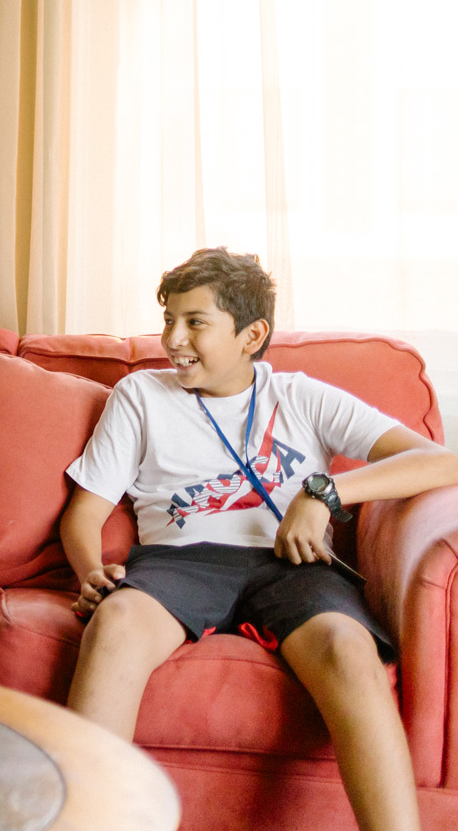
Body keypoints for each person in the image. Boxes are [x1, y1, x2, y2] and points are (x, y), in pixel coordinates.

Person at [63, 248, 458, 831]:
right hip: (178, 560)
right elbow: (82, 513)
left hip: (290, 567)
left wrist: (324, 493)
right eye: (168, 318)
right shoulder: (141, 396)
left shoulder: (302, 396)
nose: (173, 338)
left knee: (349, 652)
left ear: (252, 335)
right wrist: (89, 569)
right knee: (116, 626)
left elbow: (439, 463)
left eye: (195, 322)